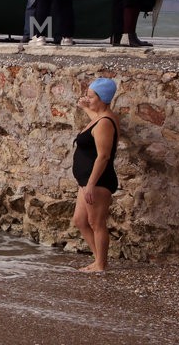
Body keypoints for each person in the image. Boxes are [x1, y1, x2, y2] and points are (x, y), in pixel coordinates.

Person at [71, 77, 120, 272]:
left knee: (96, 222)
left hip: (97, 180)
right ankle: (98, 260)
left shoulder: (106, 122)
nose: (87, 99)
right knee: (80, 220)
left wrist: (91, 183)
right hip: (87, 179)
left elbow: (104, 156)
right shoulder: (101, 118)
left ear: (103, 98)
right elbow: (96, 117)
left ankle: (101, 264)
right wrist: (85, 107)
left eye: (91, 97)